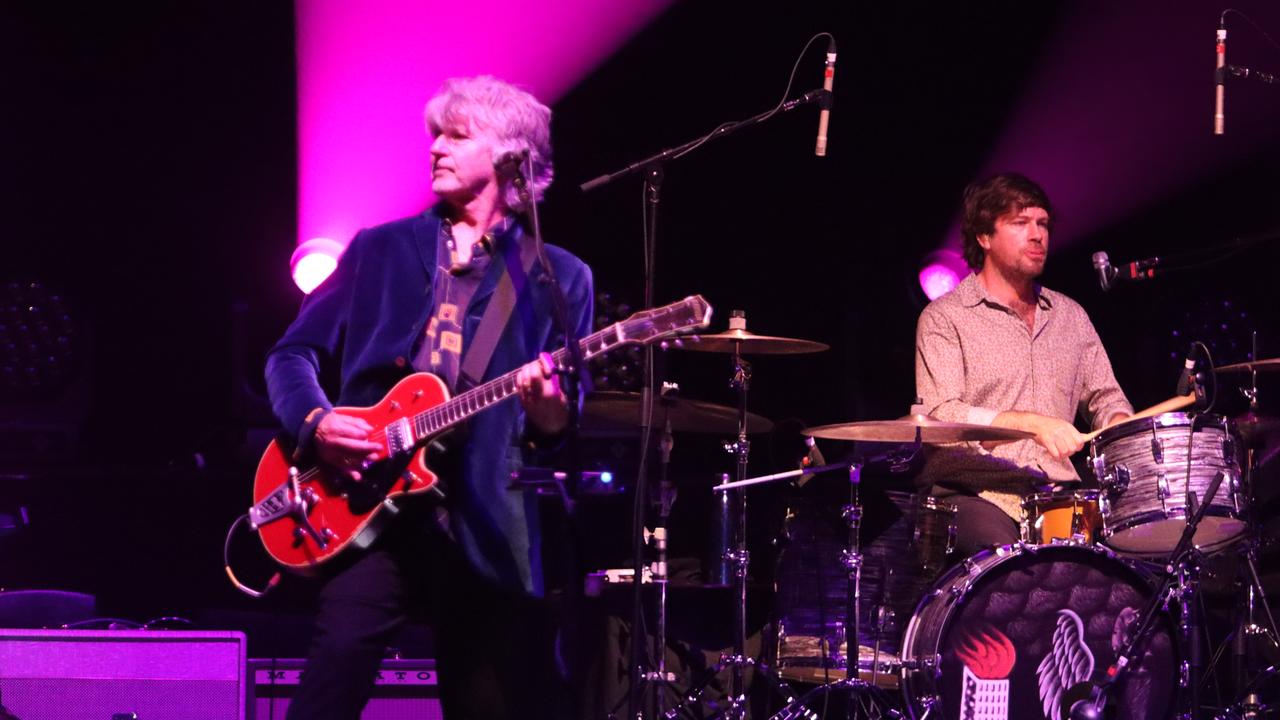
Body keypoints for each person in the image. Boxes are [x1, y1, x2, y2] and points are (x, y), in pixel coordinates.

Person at [265, 75, 593, 720]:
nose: (436, 148)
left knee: (490, 700)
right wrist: (317, 422)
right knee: (332, 679)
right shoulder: (379, 249)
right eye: (435, 135)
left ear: (510, 158)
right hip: (366, 504)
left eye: (457, 136)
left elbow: (561, 421)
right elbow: (291, 354)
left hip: (483, 518)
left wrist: (547, 408)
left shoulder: (560, 275)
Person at [914, 172, 1131, 557]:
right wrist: (1031, 424)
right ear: (984, 236)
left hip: (1059, 497)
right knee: (1009, 565)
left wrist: (1115, 423)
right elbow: (942, 417)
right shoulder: (945, 317)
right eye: (1020, 223)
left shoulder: (1070, 316)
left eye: (1043, 224)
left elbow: (1105, 396)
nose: (1037, 235)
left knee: (1126, 562)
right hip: (977, 493)